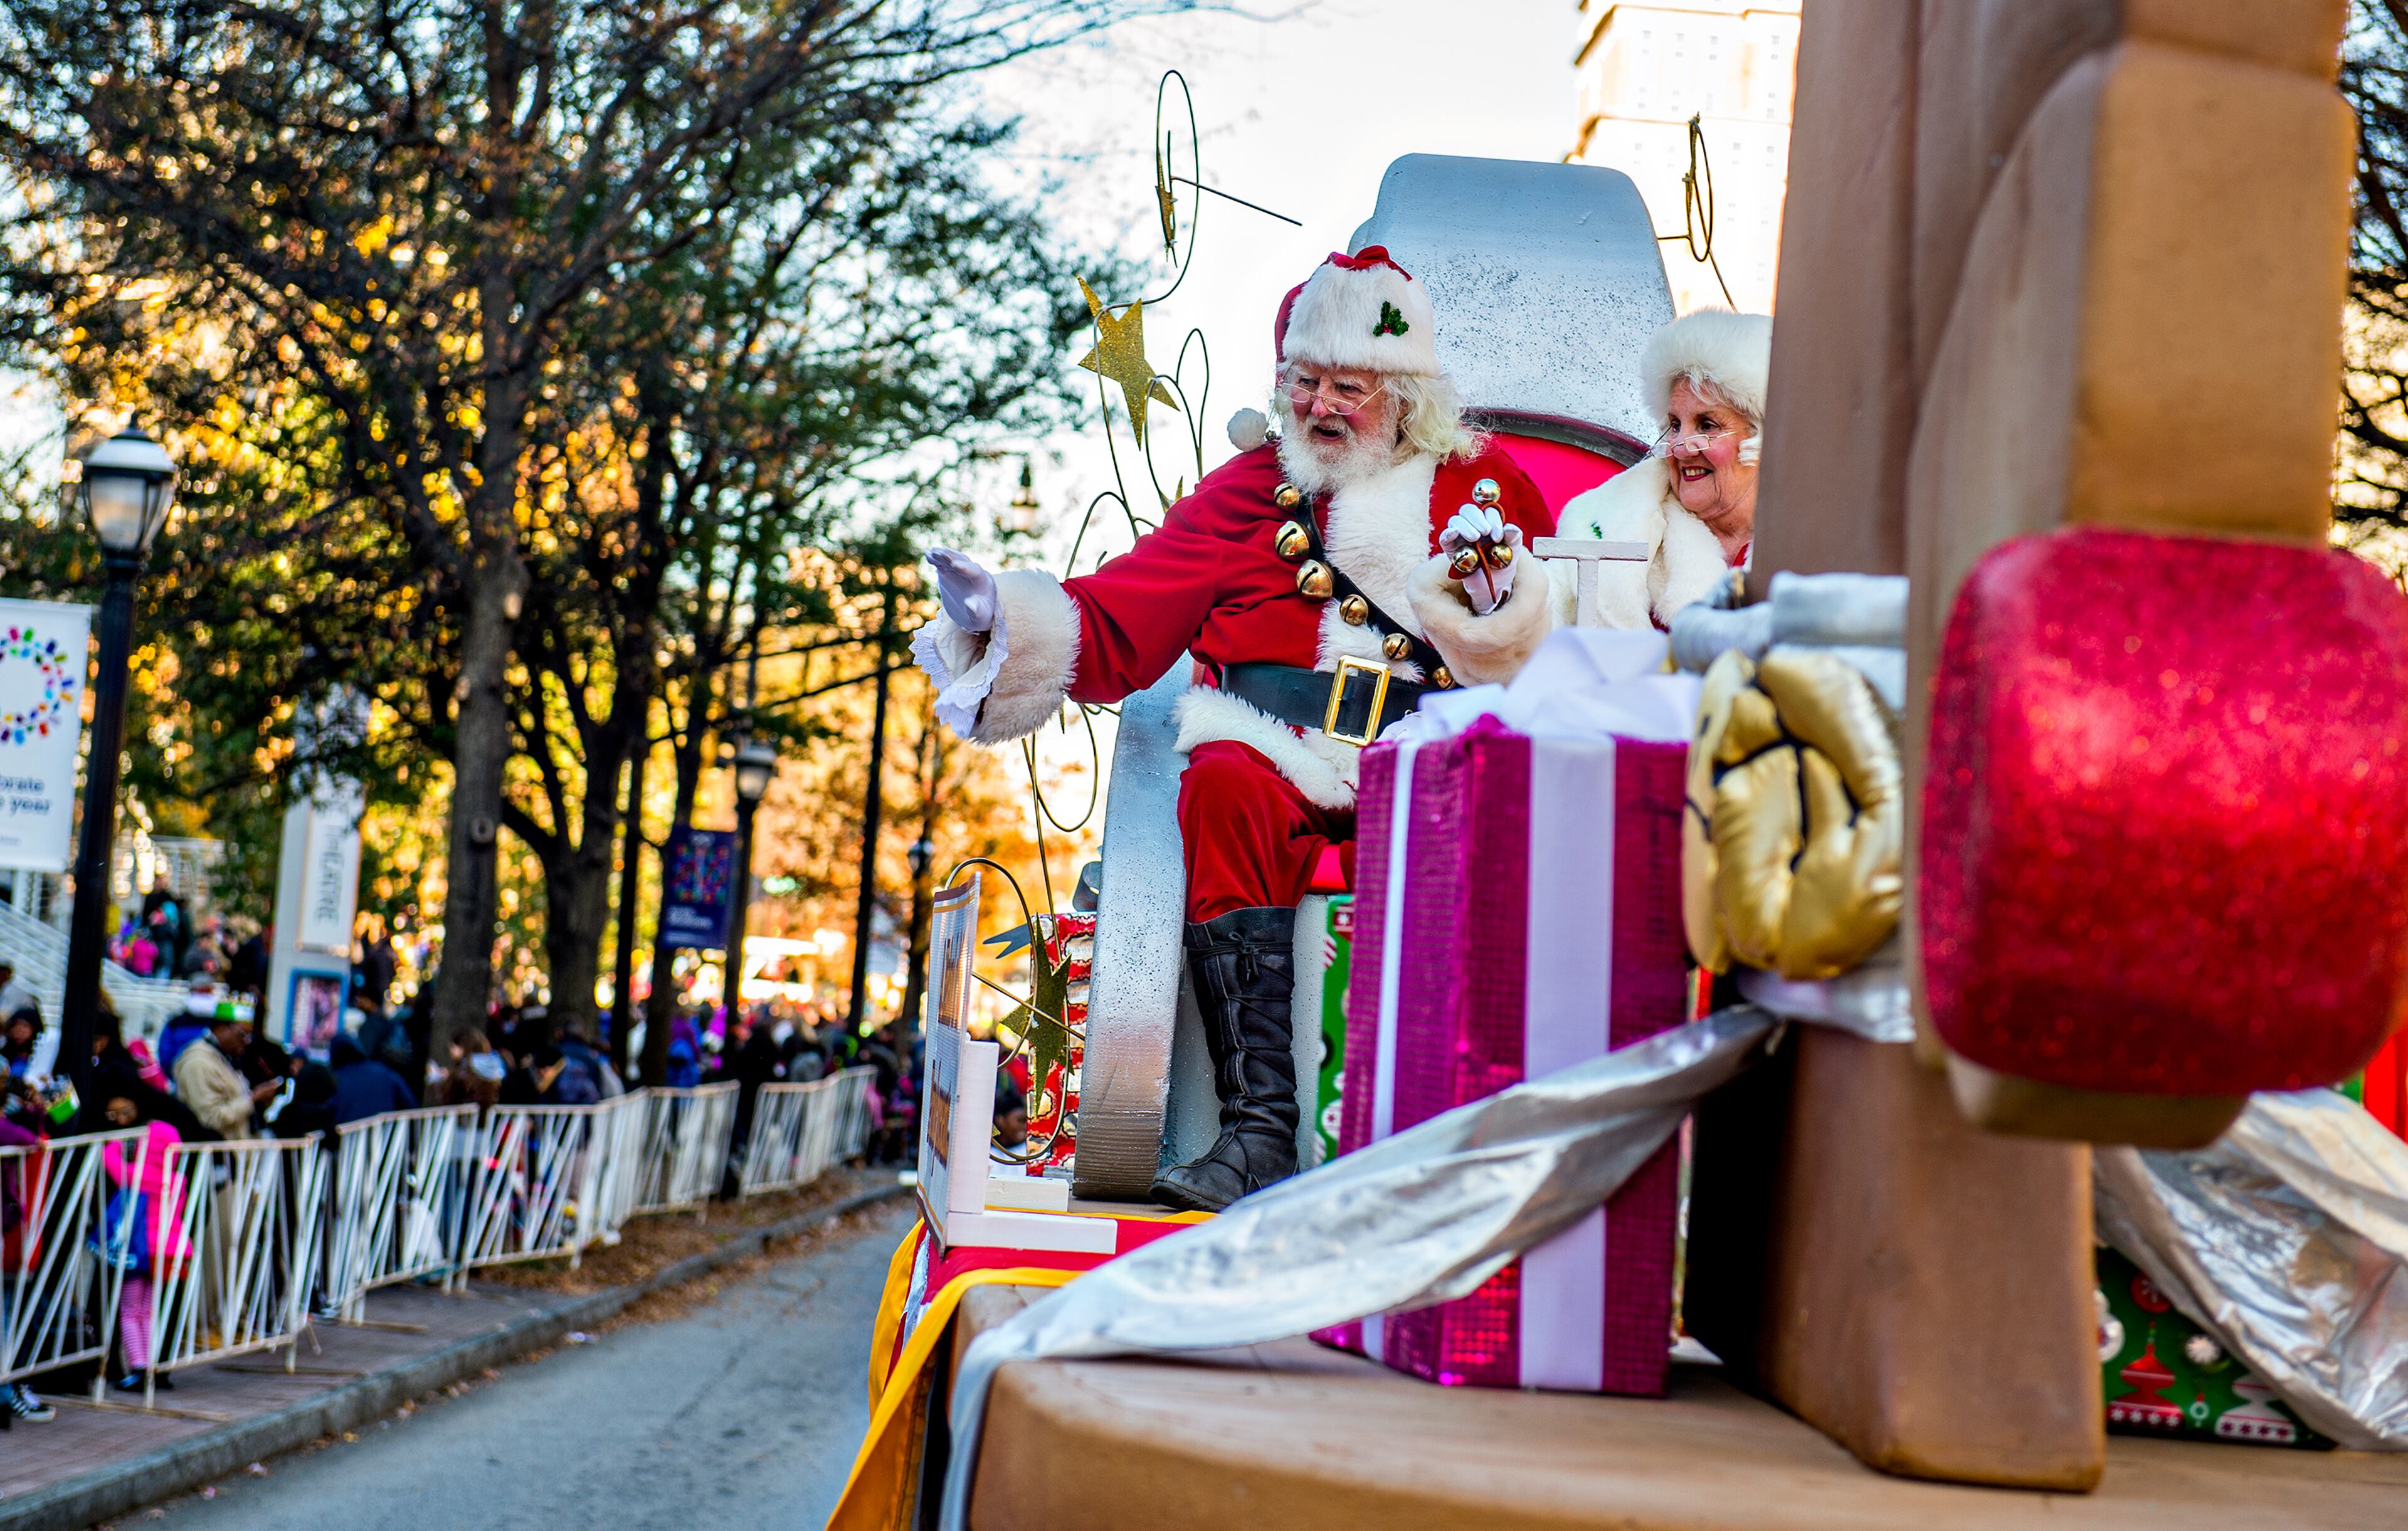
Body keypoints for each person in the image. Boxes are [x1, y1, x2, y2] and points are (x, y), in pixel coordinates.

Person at [912, 246, 1554, 1212]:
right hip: (1276, 752)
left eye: (1349, 386)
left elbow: (1536, 642)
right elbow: (1131, 602)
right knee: (1218, 781)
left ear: (1405, 393)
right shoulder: (1251, 489)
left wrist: (1499, 604)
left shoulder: (1481, 486)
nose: (1321, 406)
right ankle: (1258, 1133)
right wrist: (1003, 615)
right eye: (1305, 382)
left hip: (1426, 755)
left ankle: (1437, 1139)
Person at [1537, 309, 1772, 631]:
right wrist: (1496, 596)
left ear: (1760, 437)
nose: (1679, 446)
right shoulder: (1607, 517)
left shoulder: (1817, 534)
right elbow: (1542, 626)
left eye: (1707, 425)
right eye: (1674, 425)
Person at [98, 1090, 189, 1395]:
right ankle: (152, 1366)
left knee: (129, 1309)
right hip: (168, 1248)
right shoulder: (176, 1180)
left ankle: (138, 1367)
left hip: (137, 1250)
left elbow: (115, 1168)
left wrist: (112, 1147)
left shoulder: (134, 1174)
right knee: (149, 1309)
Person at [171, 1016, 277, 1140]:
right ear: (221, 1027)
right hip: (217, 1155)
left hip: (235, 1153)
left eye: (250, 1037)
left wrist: (261, 1101)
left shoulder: (224, 1058)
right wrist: (253, 1099)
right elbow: (209, 1119)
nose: (246, 1042)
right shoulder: (198, 1063)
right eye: (242, 1035)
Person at [327, 1033, 416, 1125]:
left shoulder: (335, 1079)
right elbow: (411, 1105)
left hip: (348, 1137)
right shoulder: (385, 1072)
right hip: (383, 1135)